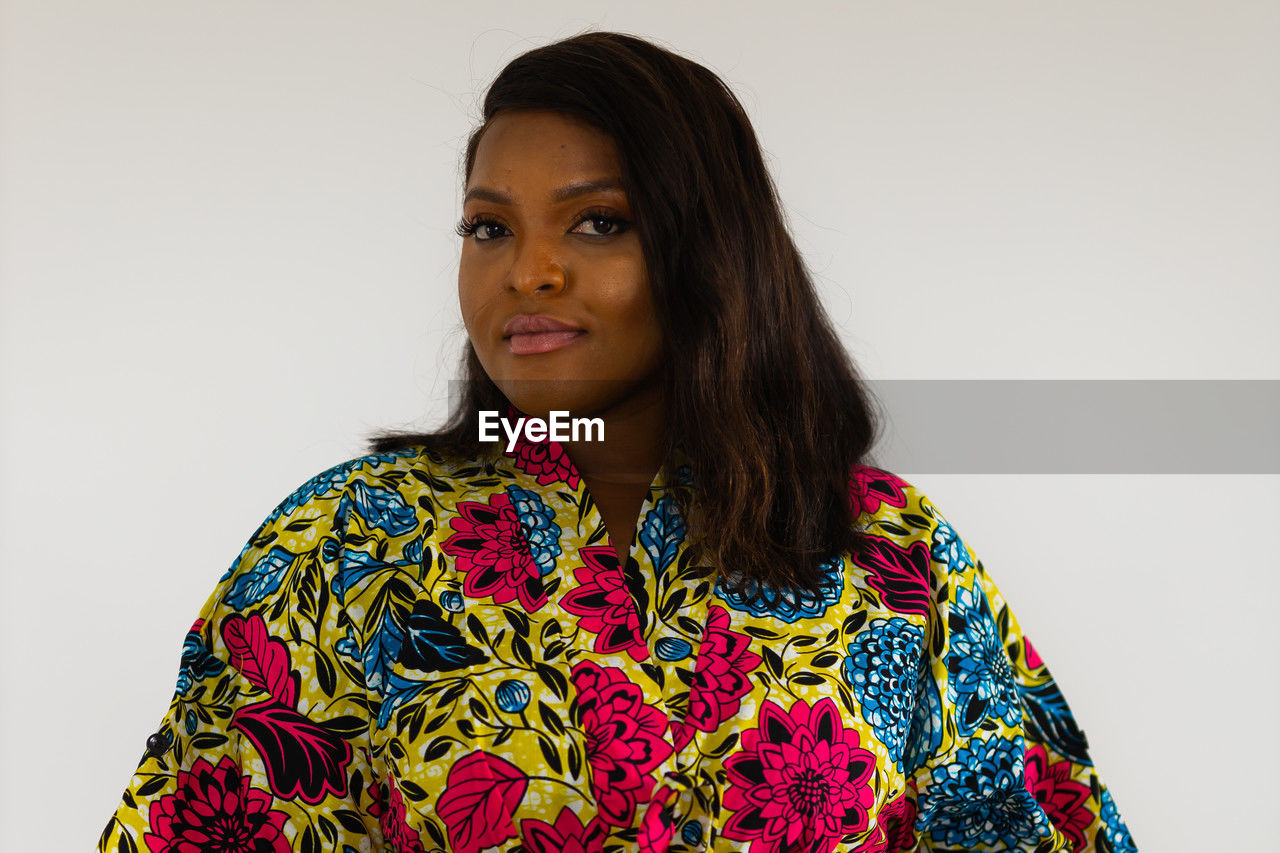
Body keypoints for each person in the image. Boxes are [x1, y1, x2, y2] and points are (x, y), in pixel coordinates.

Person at [98, 31, 1137, 853]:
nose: (528, 272)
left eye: (595, 222)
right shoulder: (350, 541)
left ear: (707, 248)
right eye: (489, 227)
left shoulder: (886, 553)